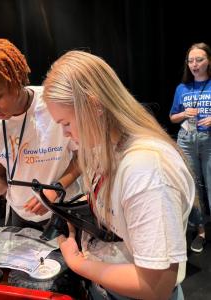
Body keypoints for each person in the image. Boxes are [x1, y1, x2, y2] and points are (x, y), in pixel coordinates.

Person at [42, 50, 195, 300]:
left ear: (93, 106)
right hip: (107, 287)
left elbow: (155, 286)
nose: (65, 133)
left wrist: (77, 262)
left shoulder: (147, 169)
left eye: (66, 123)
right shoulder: (102, 147)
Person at [0, 38, 80, 230]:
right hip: (20, 214)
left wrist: (56, 189)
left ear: (16, 79)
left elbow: (83, 157)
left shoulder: (52, 104)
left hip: (64, 209)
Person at [170, 42, 211, 253]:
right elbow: (172, 117)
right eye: (191, 60)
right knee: (193, 187)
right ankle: (201, 231)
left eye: (199, 59)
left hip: (209, 141)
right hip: (186, 139)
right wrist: (185, 114)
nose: (194, 64)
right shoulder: (182, 88)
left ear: (208, 61)